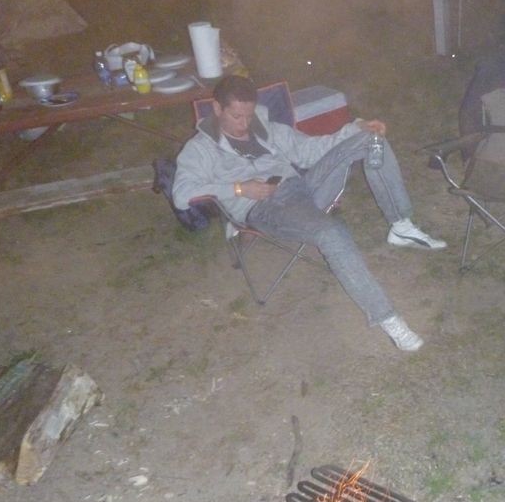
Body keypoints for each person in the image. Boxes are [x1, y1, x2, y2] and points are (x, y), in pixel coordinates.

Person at [173, 75, 446, 352]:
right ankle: (387, 318)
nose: (244, 124)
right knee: (331, 233)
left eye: (249, 115)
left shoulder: (265, 128)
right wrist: (239, 189)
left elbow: (310, 151)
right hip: (266, 209)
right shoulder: (200, 149)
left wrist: (355, 128)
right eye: (236, 117)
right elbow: (182, 195)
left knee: (371, 140)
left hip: (302, 188)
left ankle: (400, 224)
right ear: (217, 108)